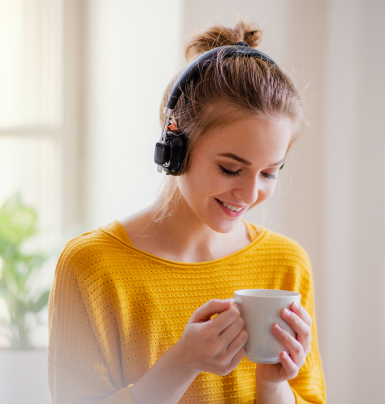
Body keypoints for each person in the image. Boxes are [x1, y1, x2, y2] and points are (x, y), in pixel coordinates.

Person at [48, 21, 326, 404]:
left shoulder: (287, 264)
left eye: (269, 172)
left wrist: (274, 385)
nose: (249, 193)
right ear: (175, 145)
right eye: (230, 168)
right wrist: (182, 363)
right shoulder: (93, 267)